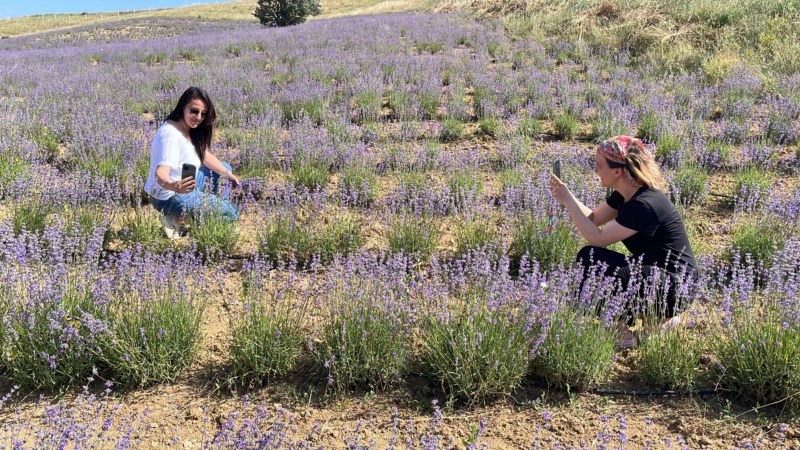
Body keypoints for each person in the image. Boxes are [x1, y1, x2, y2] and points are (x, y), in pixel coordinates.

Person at [549, 135, 698, 347]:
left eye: (600, 166)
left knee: (593, 259)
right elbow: (592, 219)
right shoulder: (625, 195)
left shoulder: (645, 205)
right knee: (597, 261)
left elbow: (597, 238)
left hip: (677, 286)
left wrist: (567, 200)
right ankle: (657, 320)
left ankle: (624, 334)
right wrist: (567, 198)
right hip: (657, 276)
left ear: (617, 171)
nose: (595, 170)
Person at [144, 86, 241, 238]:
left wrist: (229, 175)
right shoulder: (170, 135)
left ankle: (201, 214)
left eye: (203, 114)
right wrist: (175, 186)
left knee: (223, 169)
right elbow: (160, 173)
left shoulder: (187, 129)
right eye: (194, 111)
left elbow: (204, 156)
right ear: (183, 107)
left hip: (186, 184)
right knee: (233, 212)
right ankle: (184, 217)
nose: (198, 117)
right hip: (168, 196)